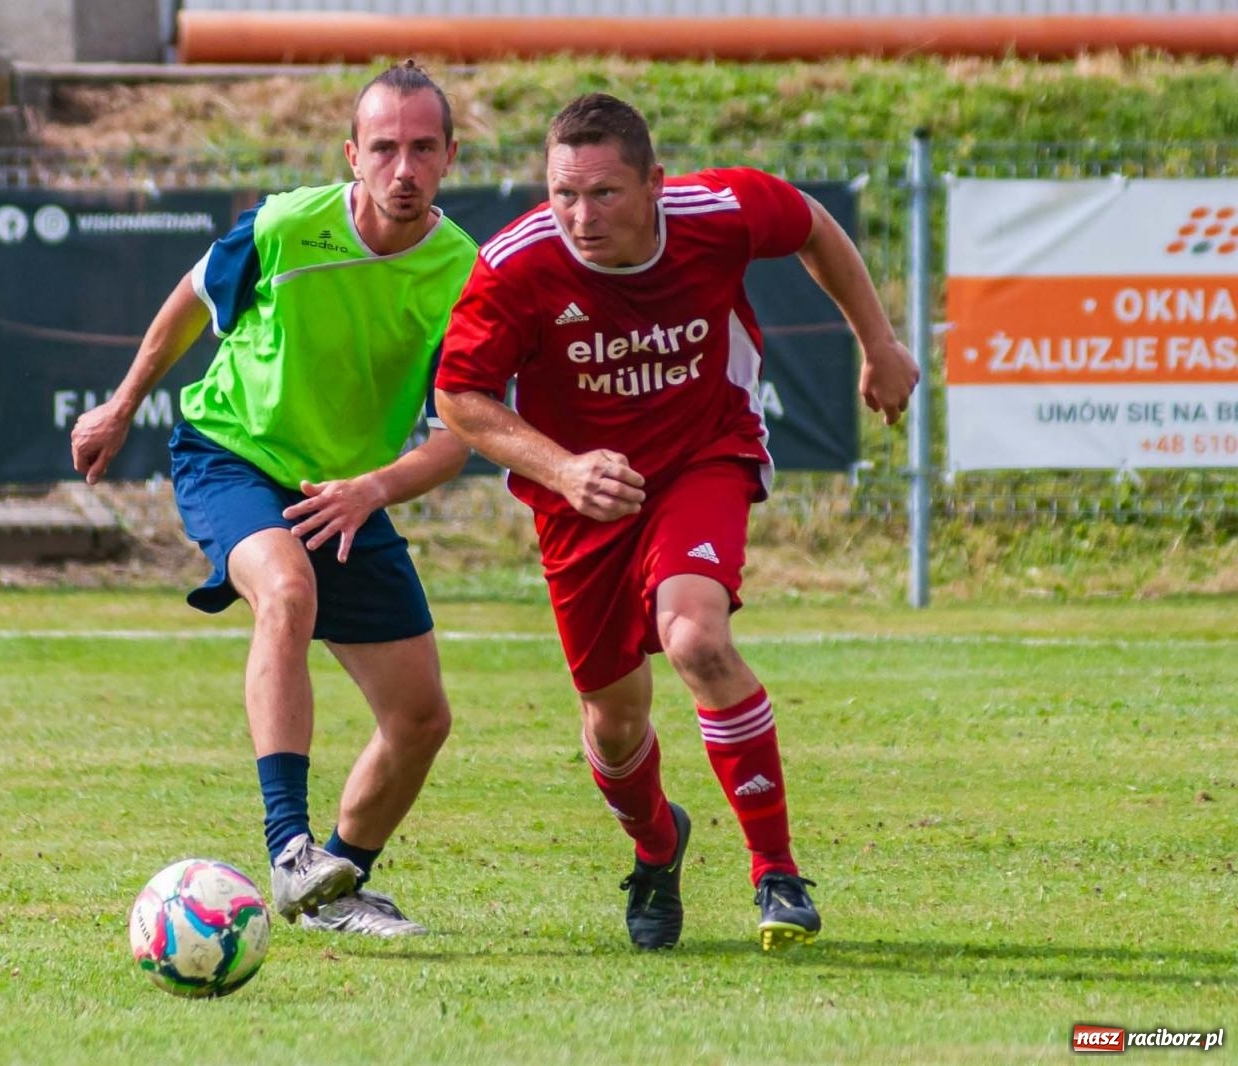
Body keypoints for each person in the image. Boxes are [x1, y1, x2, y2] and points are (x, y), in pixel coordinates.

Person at [435, 93, 918, 952]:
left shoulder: (719, 212)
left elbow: (812, 224)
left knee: (696, 638)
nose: (581, 218)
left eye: (605, 194)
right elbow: (459, 396)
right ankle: (657, 846)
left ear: (656, 183)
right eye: (563, 195)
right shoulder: (515, 267)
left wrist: (878, 342)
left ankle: (777, 874)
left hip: (704, 455)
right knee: (613, 722)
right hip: (581, 500)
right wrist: (564, 469)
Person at [71, 62, 475, 938]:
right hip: (232, 455)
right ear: (352, 155)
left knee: (420, 718)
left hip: (348, 493)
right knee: (286, 593)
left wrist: (375, 488)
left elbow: (463, 431)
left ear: (450, 156)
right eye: (384, 149)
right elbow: (191, 295)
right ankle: (289, 849)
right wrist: (123, 401)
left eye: (421, 149)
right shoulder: (291, 223)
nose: (402, 168)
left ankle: (335, 888)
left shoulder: (463, 271)